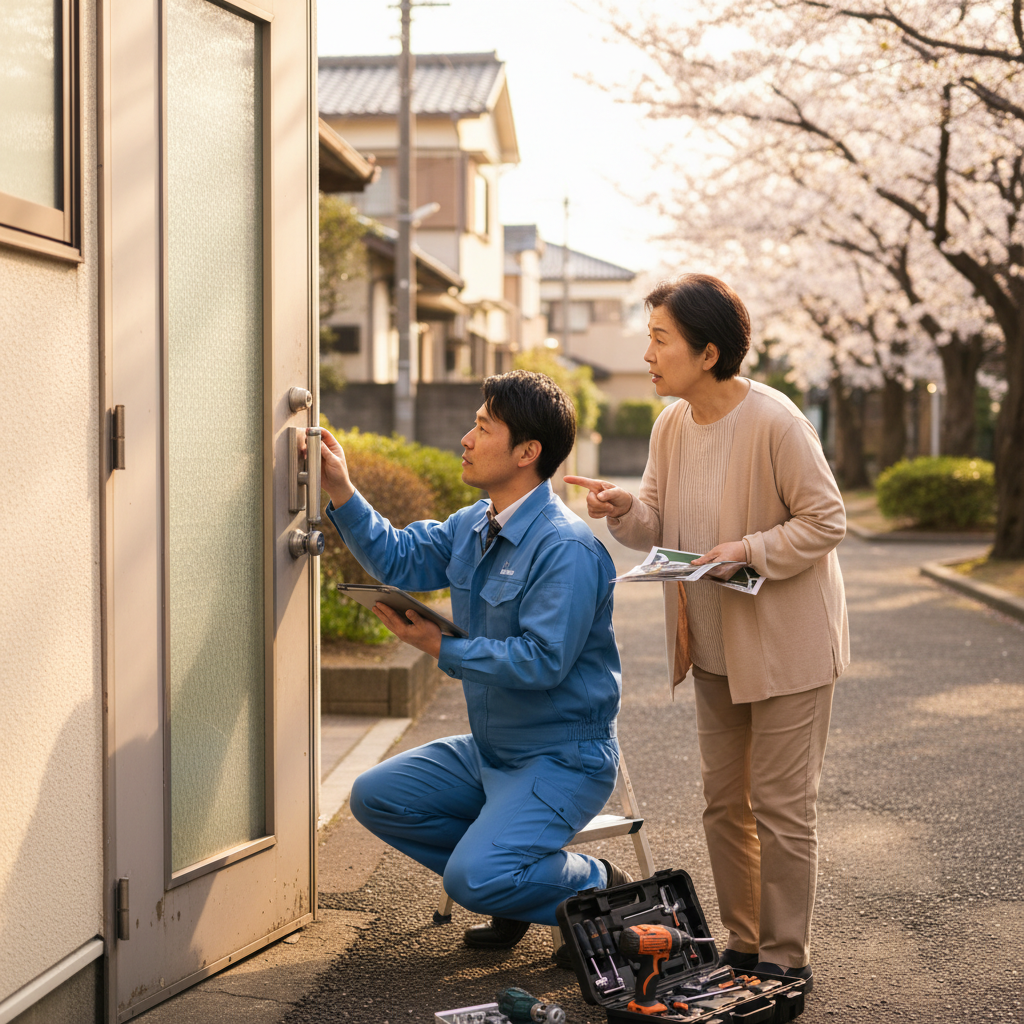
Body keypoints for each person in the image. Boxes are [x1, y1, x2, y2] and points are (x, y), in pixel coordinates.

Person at [567, 274, 848, 993]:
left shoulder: (777, 421)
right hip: (714, 647)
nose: (649, 353)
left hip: (788, 647)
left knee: (783, 806)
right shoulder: (671, 424)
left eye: (660, 339)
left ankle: (788, 955)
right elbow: (657, 524)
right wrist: (625, 506)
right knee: (724, 801)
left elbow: (825, 520)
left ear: (709, 350)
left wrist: (749, 550)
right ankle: (745, 942)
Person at [317, 370, 631, 951]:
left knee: (472, 878)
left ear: (526, 453)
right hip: (492, 751)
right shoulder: (474, 523)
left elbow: (543, 662)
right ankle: (513, 886)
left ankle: (597, 888)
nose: (465, 438)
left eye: (483, 428)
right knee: (375, 795)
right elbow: (401, 558)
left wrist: (443, 647)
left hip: (562, 758)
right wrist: (340, 489)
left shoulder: (566, 548)